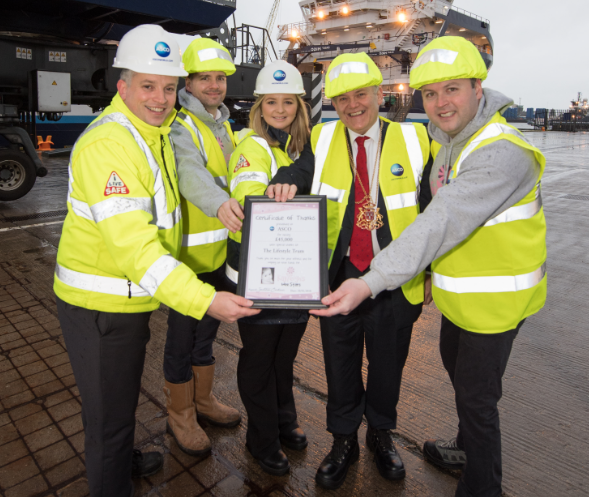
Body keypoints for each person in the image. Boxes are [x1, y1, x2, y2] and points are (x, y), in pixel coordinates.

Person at [312, 37, 547, 497]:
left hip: (491, 304)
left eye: (452, 89)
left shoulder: (499, 151)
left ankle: (471, 480)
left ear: (478, 88)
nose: (441, 103)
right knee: (462, 388)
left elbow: (438, 220)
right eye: (431, 93)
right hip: (454, 299)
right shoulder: (450, 143)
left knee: (476, 402)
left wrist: (375, 280)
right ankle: (356, 441)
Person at [53, 25, 259, 497]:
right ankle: (113, 475)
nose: (160, 98)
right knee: (108, 421)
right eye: (148, 86)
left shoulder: (154, 133)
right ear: (122, 86)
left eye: (167, 87)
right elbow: (136, 250)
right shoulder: (111, 144)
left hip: (127, 301)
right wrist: (206, 300)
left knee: (119, 404)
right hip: (100, 306)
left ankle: (123, 456)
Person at [267, 52, 432, 489]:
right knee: (339, 365)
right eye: (342, 98)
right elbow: (295, 170)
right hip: (339, 277)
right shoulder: (321, 140)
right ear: (333, 104)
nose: (352, 105)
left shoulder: (417, 140)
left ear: (380, 94)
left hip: (395, 278)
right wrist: (283, 181)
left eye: (361, 94)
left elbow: (434, 211)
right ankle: (343, 440)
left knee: (387, 365)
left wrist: (430, 272)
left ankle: (380, 434)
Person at [226, 60, 311, 476]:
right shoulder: (252, 147)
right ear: (259, 106)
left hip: (293, 271)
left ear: (299, 105)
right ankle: (262, 438)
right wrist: (263, 194)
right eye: (271, 102)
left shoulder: (290, 150)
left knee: (284, 356)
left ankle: (283, 419)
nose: (280, 109)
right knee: (260, 358)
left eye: (288, 102)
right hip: (258, 273)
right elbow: (246, 193)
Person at [164, 37, 245, 457]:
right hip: (189, 259)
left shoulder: (222, 125)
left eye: (220, 77)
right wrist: (220, 204)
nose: (214, 85)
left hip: (218, 256)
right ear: (189, 83)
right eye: (204, 78)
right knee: (180, 339)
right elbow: (191, 175)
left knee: (205, 337)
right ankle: (179, 414)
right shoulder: (180, 126)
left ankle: (202, 400)